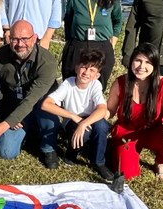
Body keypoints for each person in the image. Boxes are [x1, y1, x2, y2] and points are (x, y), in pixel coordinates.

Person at [106, 43, 163, 180]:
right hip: (127, 132)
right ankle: (116, 149)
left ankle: (161, 162)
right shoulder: (121, 82)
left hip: (153, 131)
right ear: (131, 61)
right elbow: (110, 110)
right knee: (128, 174)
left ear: (155, 66)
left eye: (148, 62)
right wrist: (96, 115)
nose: (141, 67)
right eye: (138, 60)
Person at [0, 20, 60, 168]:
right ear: (8, 38)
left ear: (34, 38)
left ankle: (48, 147)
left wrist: (5, 125)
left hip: (39, 106)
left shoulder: (47, 62)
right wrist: (6, 116)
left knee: (47, 116)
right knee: (6, 153)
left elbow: (32, 99)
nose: (20, 44)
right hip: (11, 107)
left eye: (25, 39)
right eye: (15, 39)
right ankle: (28, 134)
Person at [42, 50, 112, 180]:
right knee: (84, 132)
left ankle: (98, 162)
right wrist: (72, 116)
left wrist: (84, 123)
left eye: (92, 70)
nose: (86, 73)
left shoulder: (96, 85)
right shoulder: (68, 83)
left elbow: (102, 109)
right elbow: (46, 104)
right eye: (84, 67)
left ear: (97, 75)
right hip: (71, 120)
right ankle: (71, 153)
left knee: (102, 125)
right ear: (76, 68)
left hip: (88, 119)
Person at [62, 0, 124, 87]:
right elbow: (68, 19)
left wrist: (112, 43)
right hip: (78, 46)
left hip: (102, 47)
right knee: (71, 87)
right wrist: (70, 43)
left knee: (97, 89)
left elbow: (118, 21)